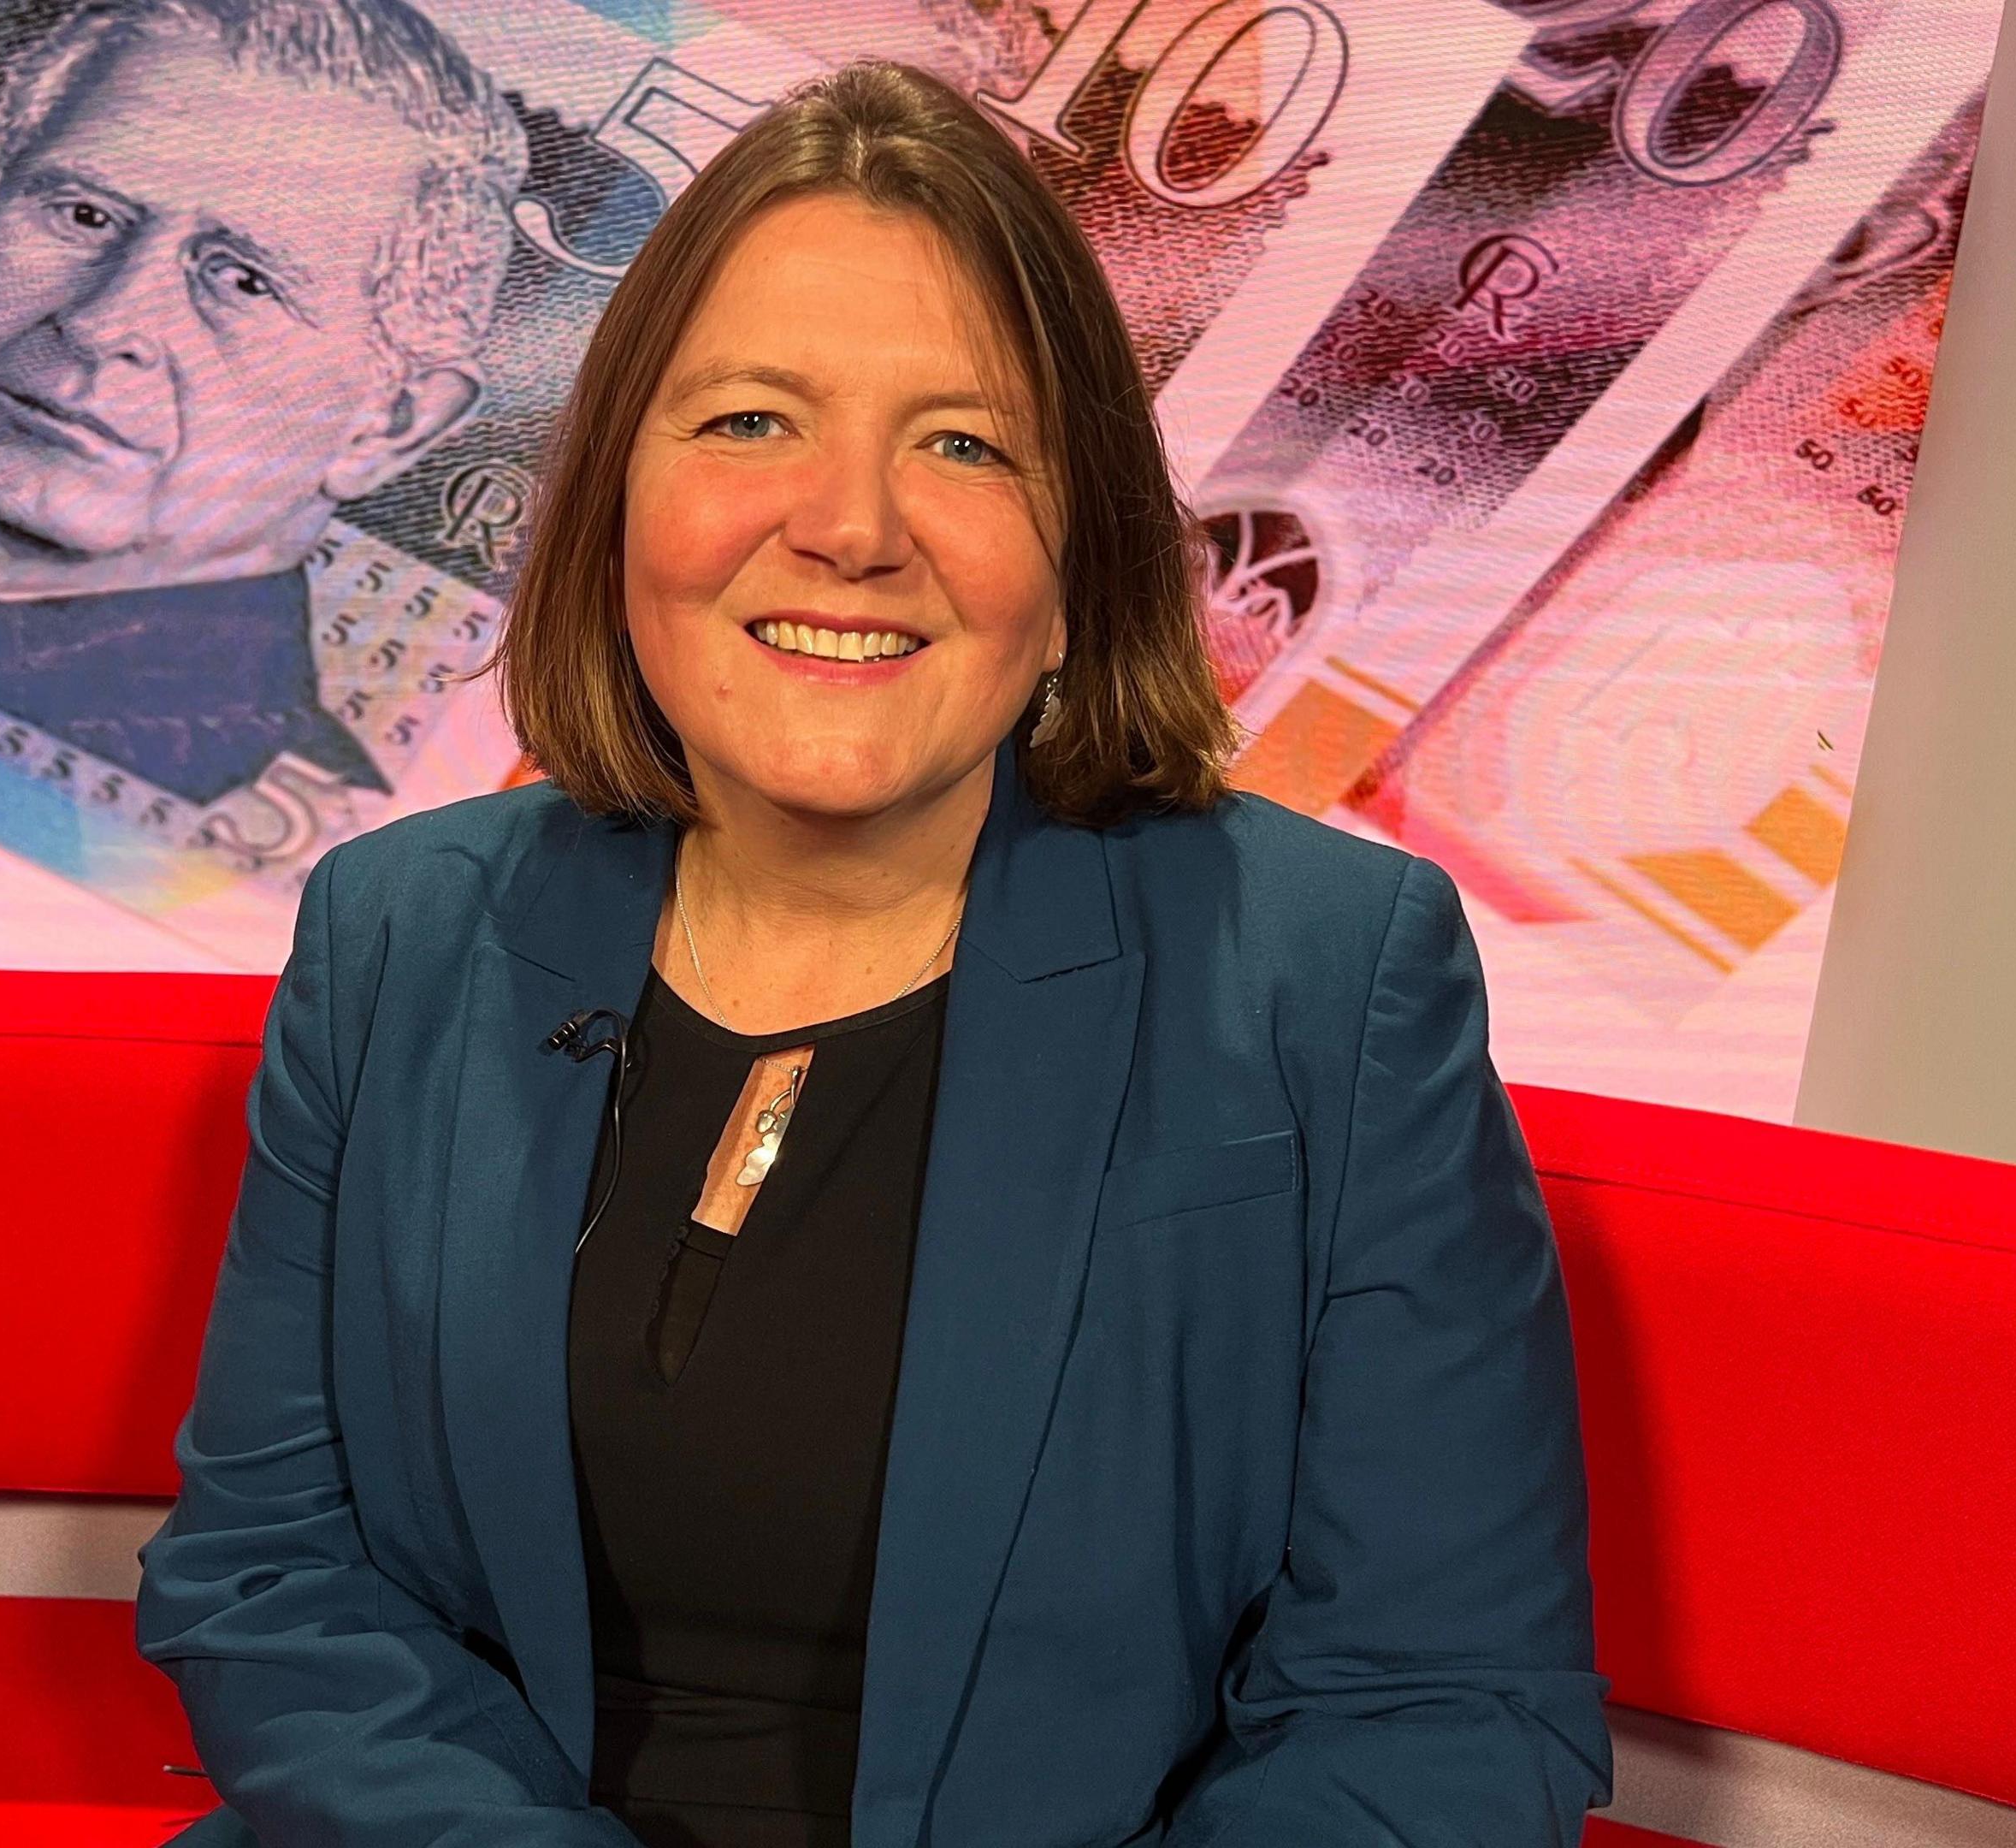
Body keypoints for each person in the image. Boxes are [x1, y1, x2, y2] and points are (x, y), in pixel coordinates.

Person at [137, 60, 1609, 1848]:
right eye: (750, 421)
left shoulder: (1327, 974)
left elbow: (1445, 1703)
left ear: (1080, 558)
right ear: (619, 503)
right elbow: (274, 1569)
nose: (850, 523)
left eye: (969, 443)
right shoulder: (396, 934)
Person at [0, 0, 525, 810]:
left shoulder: (293, 833)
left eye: (240, 278)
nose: (100, 323)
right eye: (85, 215)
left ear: (391, 423)